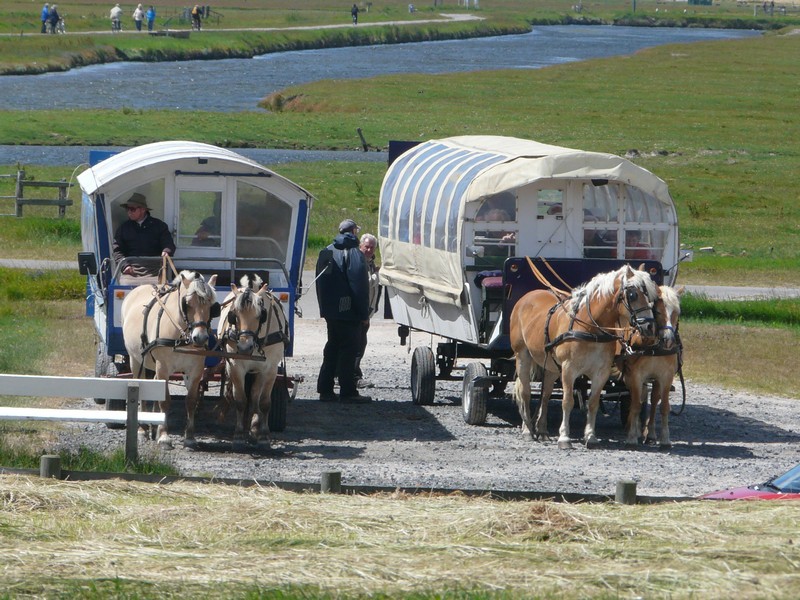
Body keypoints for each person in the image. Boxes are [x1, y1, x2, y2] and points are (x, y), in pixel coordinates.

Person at [315, 219, 372, 404]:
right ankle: (347, 391)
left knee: (332, 347)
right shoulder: (354, 253)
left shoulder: (327, 250)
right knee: (349, 350)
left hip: (331, 312)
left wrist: (325, 309)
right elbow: (359, 285)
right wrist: (363, 314)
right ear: (353, 232)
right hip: (348, 312)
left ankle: (325, 389)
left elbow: (320, 284)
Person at [112, 193, 176, 277]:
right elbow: (117, 250)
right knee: (125, 286)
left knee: (159, 287)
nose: (129, 212)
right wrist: (125, 266)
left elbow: (168, 243)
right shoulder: (124, 228)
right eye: (127, 209)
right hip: (131, 269)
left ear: (143, 209)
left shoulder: (159, 226)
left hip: (156, 268)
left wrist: (166, 250)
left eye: (132, 209)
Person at [354, 233, 380, 389]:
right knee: (357, 345)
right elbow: (363, 284)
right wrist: (378, 275)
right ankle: (354, 376)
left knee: (360, 343)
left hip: (366, 312)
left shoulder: (369, 263)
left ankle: (350, 373)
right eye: (366, 247)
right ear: (360, 246)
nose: (369, 250)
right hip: (359, 312)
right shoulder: (358, 262)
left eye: (372, 247)